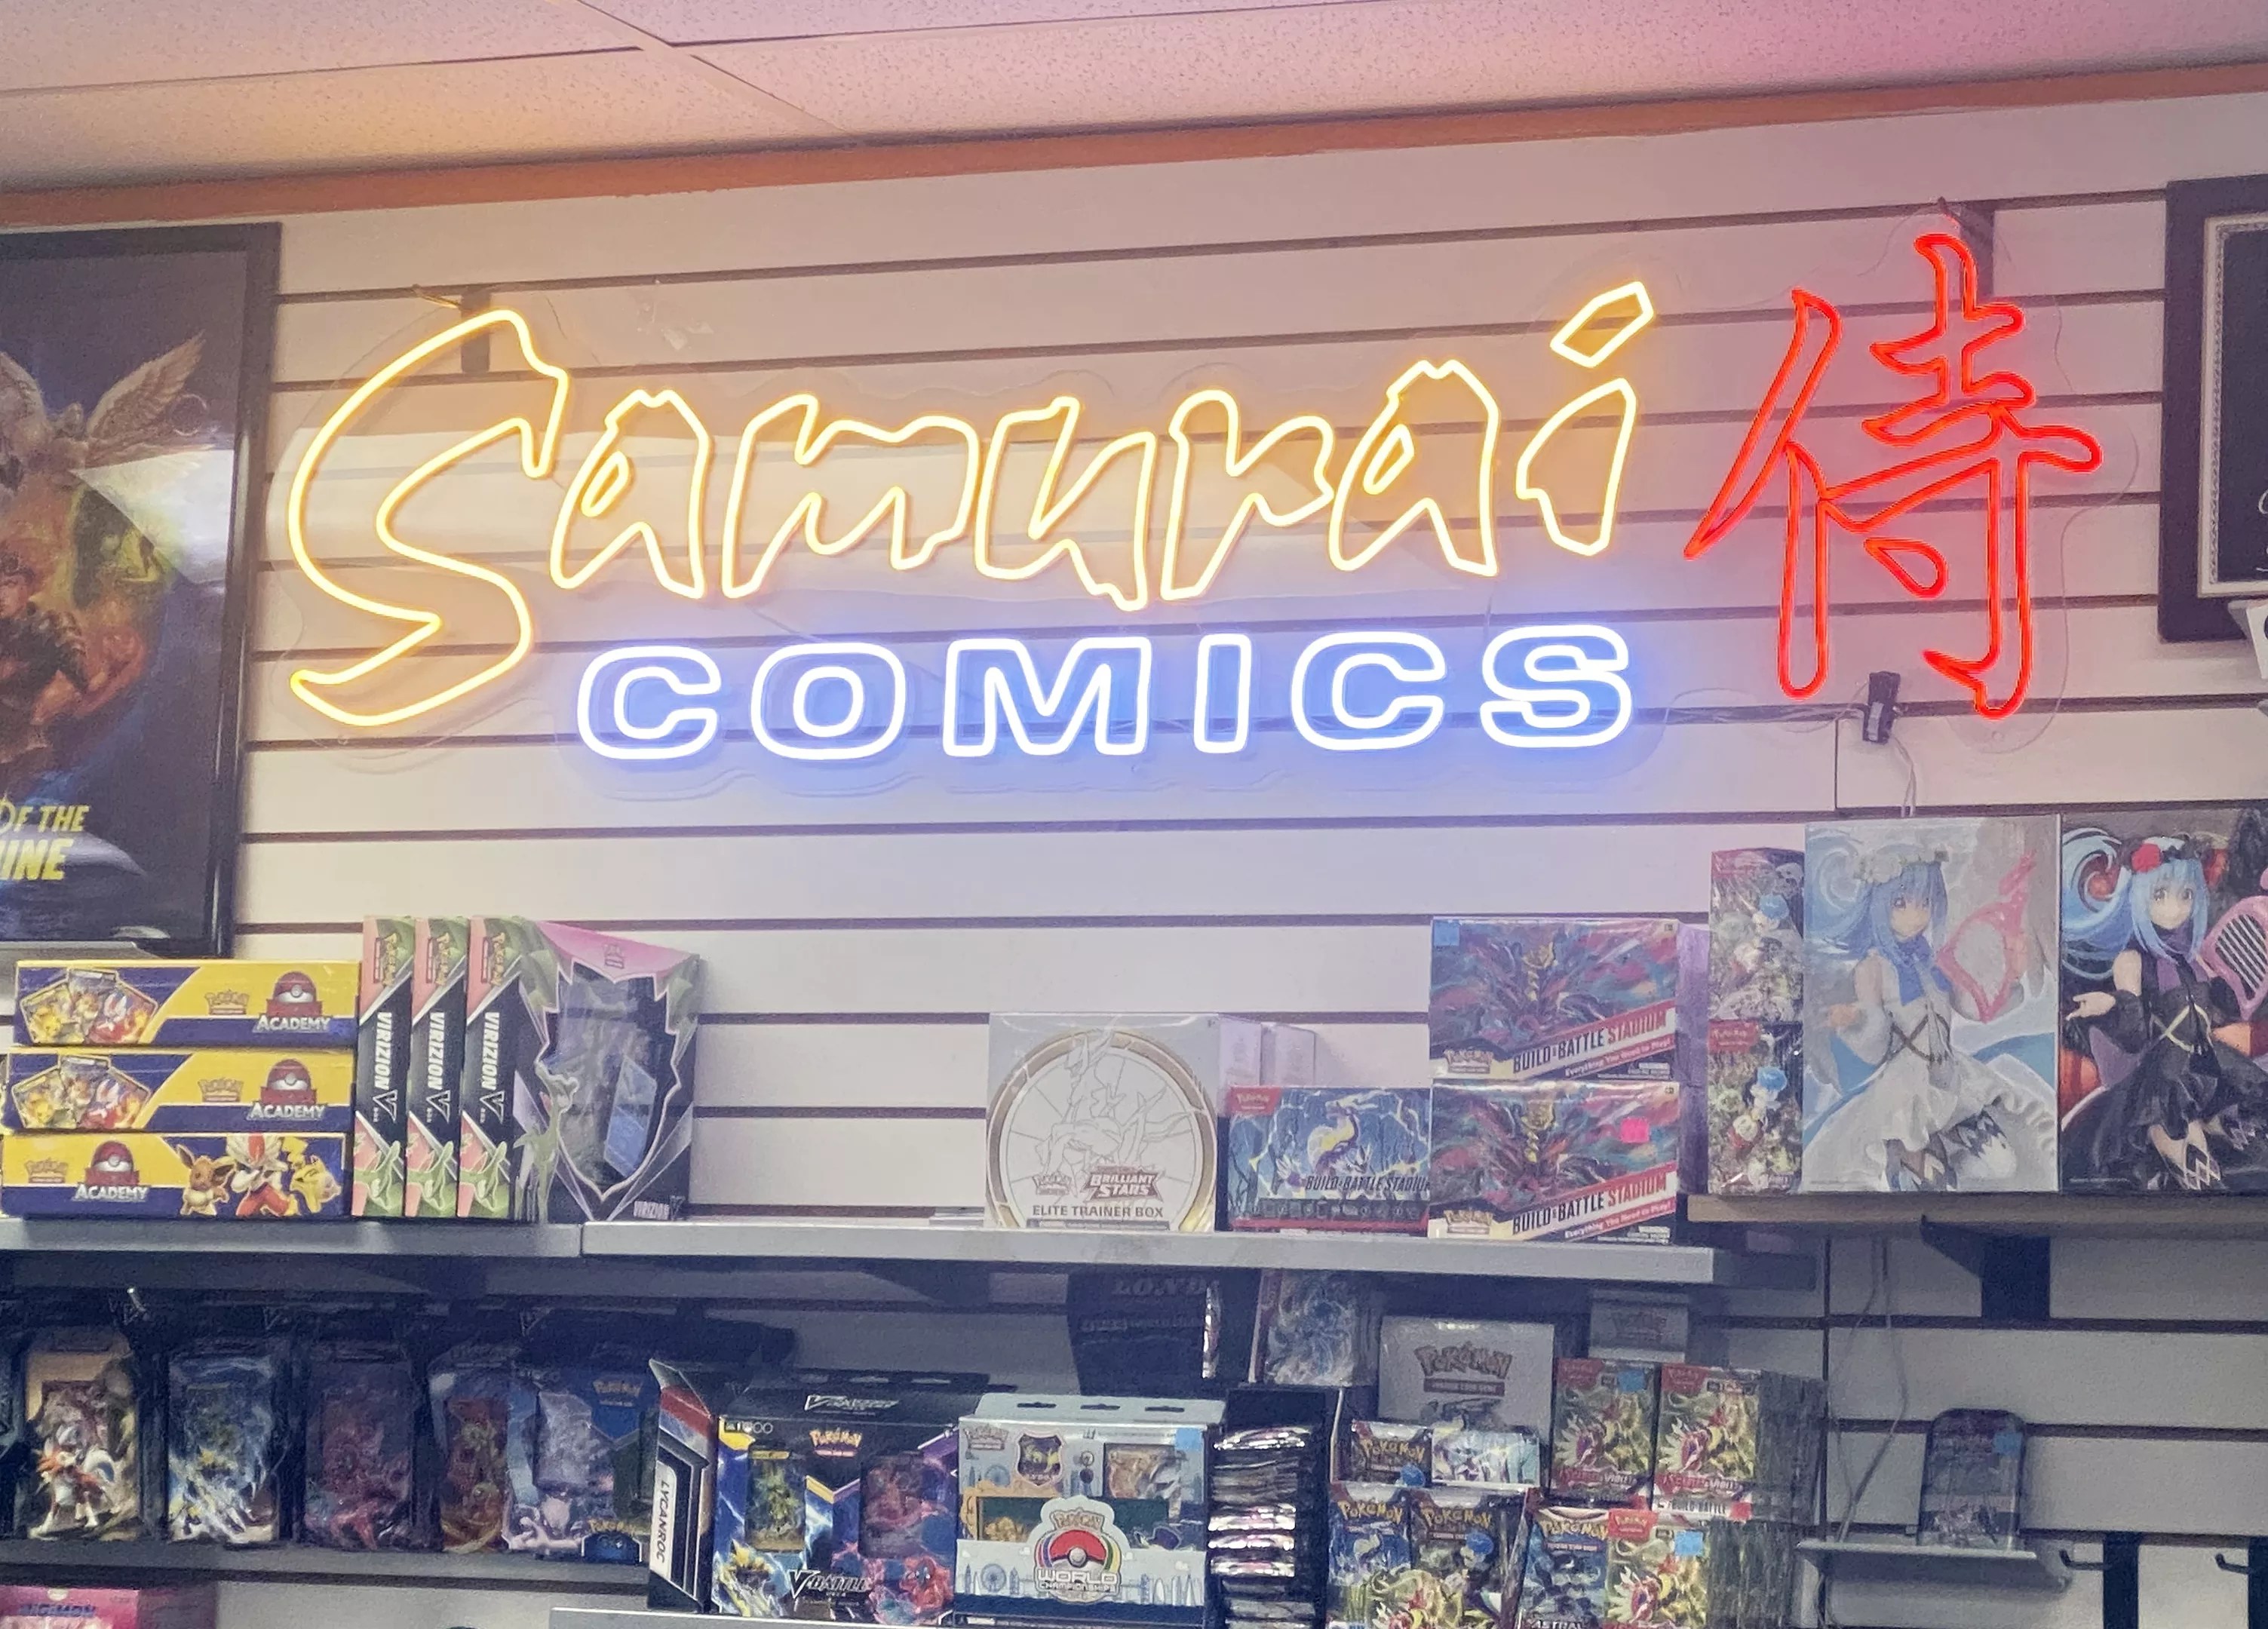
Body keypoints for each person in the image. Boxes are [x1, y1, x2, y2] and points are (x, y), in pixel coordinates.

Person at [1808, 845, 2032, 1190]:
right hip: (1906, 1086)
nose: (1915, 916)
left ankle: (1948, 1150)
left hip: (1952, 1075)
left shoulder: (1934, 959)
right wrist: (1855, 1017)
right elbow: (1875, 1045)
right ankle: (1911, 1154)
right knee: (1925, 1186)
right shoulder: (1873, 968)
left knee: (2003, 1164)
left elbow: (1968, 1006)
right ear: (1878, 903)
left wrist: (2007, 980)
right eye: (1900, 903)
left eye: (1925, 902)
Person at [2061, 831, 2268, 1189]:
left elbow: (2217, 1009)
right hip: (2166, 1081)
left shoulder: (2192, 959)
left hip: (2212, 1068)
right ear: (2138, 897)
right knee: (2201, 1179)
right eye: (2160, 895)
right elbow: (2134, 1033)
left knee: (2252, 1147)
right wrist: (2113, 1003)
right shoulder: (2132, 960)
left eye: (2186, 895)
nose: (2175, 907)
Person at [0, 549, 87, 774]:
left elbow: (82, 681)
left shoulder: (54, 625)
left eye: (10, 584)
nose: (1, 594)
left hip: (28, 743)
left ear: (29, 587)